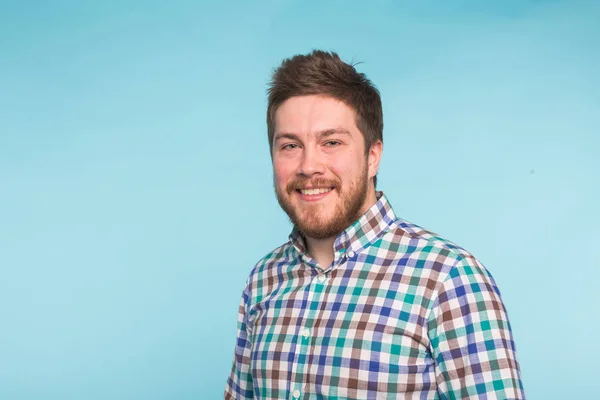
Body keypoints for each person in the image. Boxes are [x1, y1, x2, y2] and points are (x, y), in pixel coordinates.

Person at [224, 50, 525, 399]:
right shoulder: (263, 280)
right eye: (290, 145)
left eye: (331, 142)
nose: (309, 166)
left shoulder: (449, 279)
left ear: (372, 156)